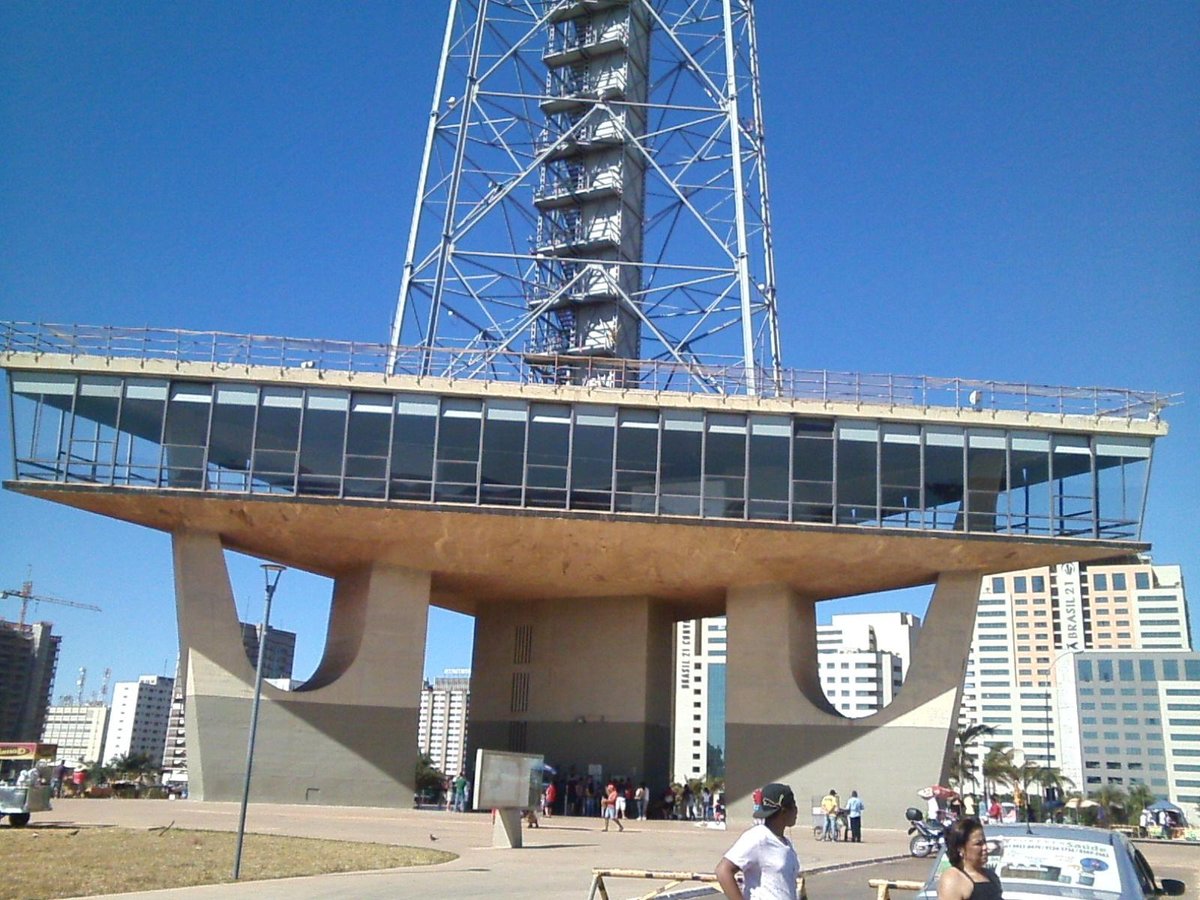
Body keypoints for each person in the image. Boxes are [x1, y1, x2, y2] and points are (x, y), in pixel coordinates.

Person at [715, 782, 801, 900]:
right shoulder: (758, 837)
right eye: (794, 805)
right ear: (784, 811)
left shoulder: (785, 843)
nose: (796, 810)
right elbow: (723, 871)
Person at [937, 817, 1001, 900]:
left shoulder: (991, 876)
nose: (985, 847)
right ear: (961, 849)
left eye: (984, 842)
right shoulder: (953, 879)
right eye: (978, 844)